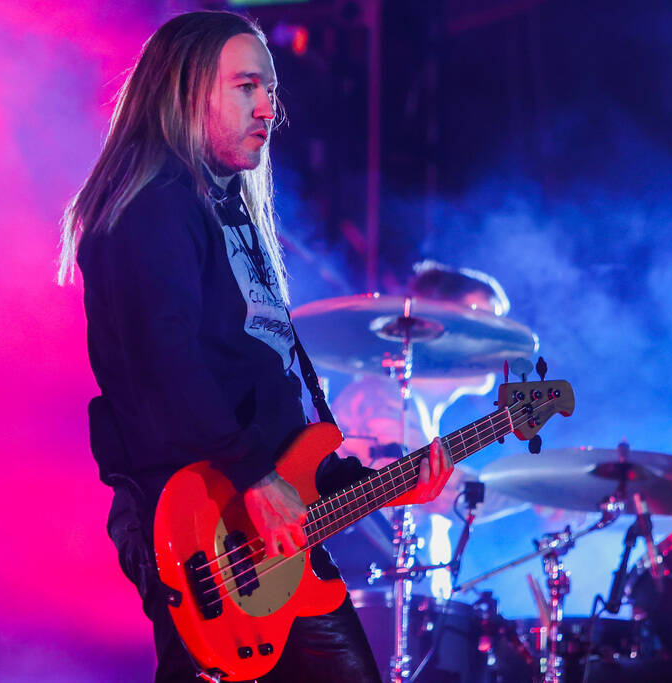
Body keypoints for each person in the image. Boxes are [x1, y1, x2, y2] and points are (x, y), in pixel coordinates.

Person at [57, 11, 453, 682]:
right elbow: (166, 362)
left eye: (270, 90)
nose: (270, 107)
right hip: (207, 528)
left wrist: (384, 486)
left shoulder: (232, 212)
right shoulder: (154, 207)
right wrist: (254, 477)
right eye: (247, 86)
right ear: (186, 92)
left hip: (271, 530)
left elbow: (283, 420)